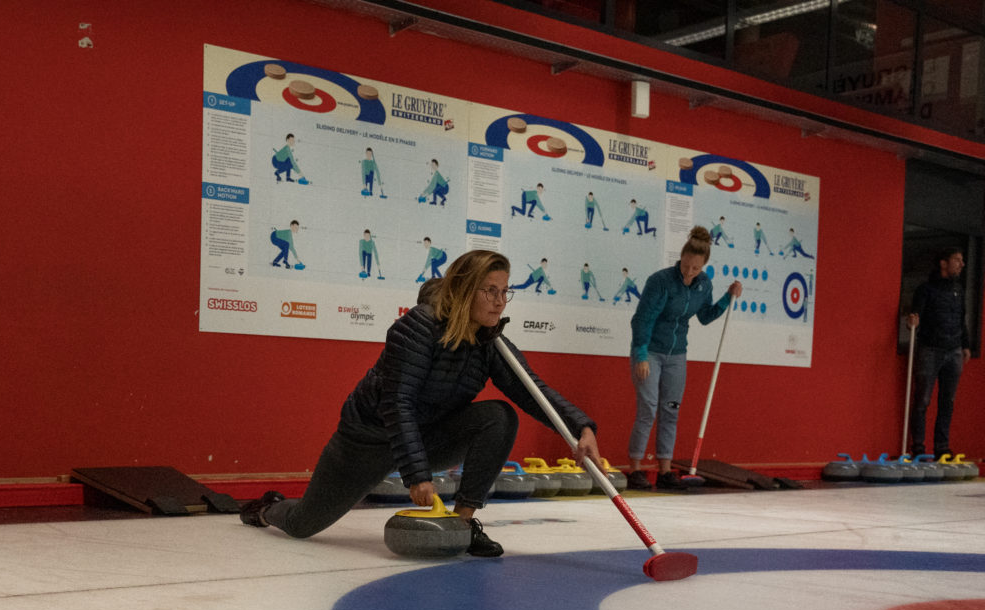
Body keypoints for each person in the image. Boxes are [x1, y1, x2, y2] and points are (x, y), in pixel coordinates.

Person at [239, 249, 600, 557]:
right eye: (489, 290)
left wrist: (580, 427)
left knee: (498, 416)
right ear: (462, 289)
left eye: (505, 291)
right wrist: (417, 475)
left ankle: (462, 524)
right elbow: (398, 402)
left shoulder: (490, 341)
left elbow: (531, 390)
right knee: (304, 524)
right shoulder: (417, 327)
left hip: (430, 438)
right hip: (368, 439)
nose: (499, 301)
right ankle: (268, 509)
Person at [627, 226, 742, 491]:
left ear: (704, 266)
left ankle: (665, 471)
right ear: (681, 258)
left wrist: (728, 298)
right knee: (648, 409)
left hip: (677, 354)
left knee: (671, 410)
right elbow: (642, 319)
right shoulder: (661, 281)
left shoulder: (704, 284)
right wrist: (641, 355)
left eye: (696, 269)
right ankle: (636, 470)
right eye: (687, 266)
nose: (689, 272)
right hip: (650, 351)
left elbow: (705, 316)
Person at [906, 246, 973, 457]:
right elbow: (915, 317)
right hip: (930, 349)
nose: (961, 264)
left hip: (953, 350)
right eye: (957, 259)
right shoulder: (926, 289)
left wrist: (966, 345)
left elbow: (961, 320)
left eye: (962, 260)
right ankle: (918, 446)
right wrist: (911, 322)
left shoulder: (958, 290)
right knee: (923, 399)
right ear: (943, 263)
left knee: (948, 401)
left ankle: (942, 447)